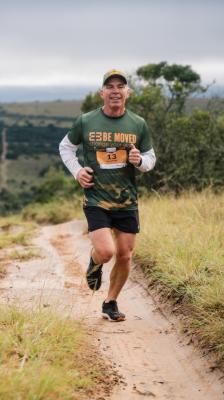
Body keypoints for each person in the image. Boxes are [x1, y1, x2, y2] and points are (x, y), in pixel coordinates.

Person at [59, 69, 156, 322]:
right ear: (102, 93)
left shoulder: (138, 124)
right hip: (96, 198)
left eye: (120, 86)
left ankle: (110, 302)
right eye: (110, 86)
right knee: (106, 252)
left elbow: (150, 158)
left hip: (126, 200)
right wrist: (78, 171)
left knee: (125, 255)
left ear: (128, 93)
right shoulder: (86, 121)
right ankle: (94, 263)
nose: (115, 91)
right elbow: (66, 147)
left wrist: (140, 161)